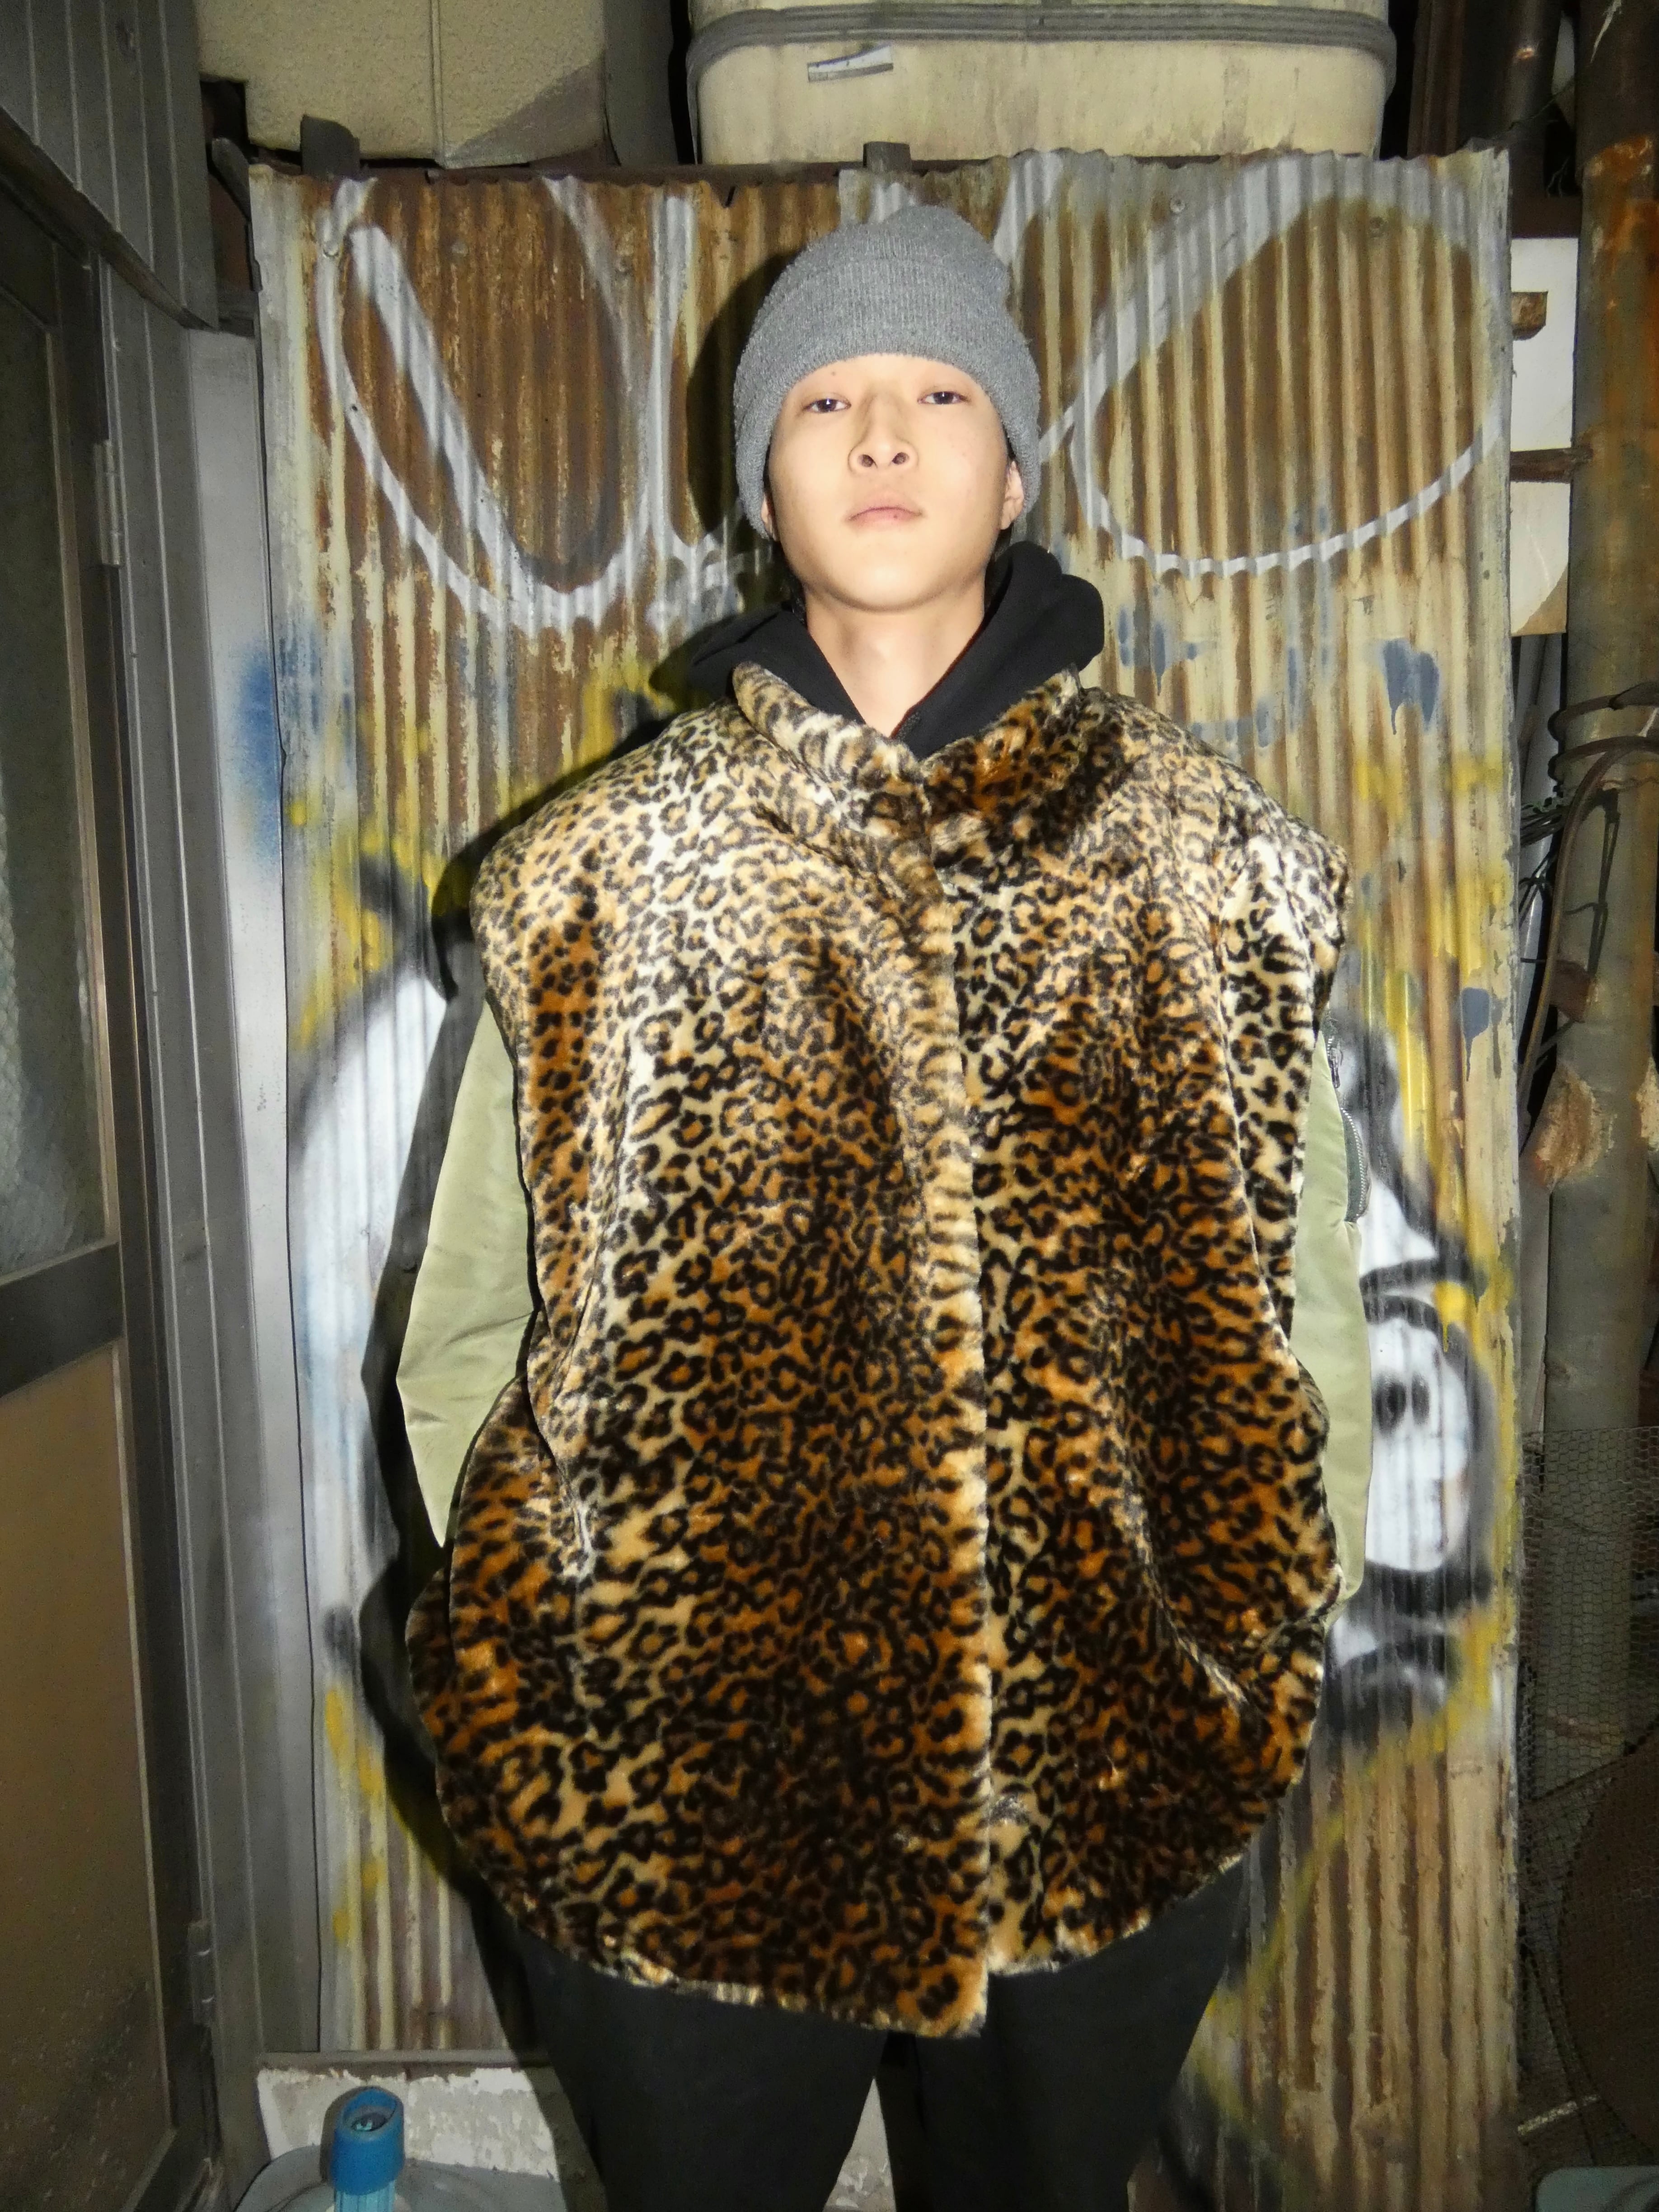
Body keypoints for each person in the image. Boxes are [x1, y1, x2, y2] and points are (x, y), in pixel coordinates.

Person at [399, 206, 1372, 2212]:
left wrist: (1260, 1632)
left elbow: (1308, 1303)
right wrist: (535, 1639)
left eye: (940, 392)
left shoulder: (1213, 866)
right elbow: (474, 1323)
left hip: (1112, 1778)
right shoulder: (596, 878)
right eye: (823, 400)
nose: (882, 434)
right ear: (761, 484)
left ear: (1014, 471)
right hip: (680, 1797)